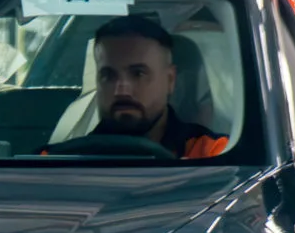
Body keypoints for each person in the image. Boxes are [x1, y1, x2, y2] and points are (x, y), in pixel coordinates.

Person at [87, 14, 231, 158]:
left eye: (138, 74)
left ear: (170, 80)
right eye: (108, 75)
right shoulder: (72, 157)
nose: (121, 91)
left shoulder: (215, 153)